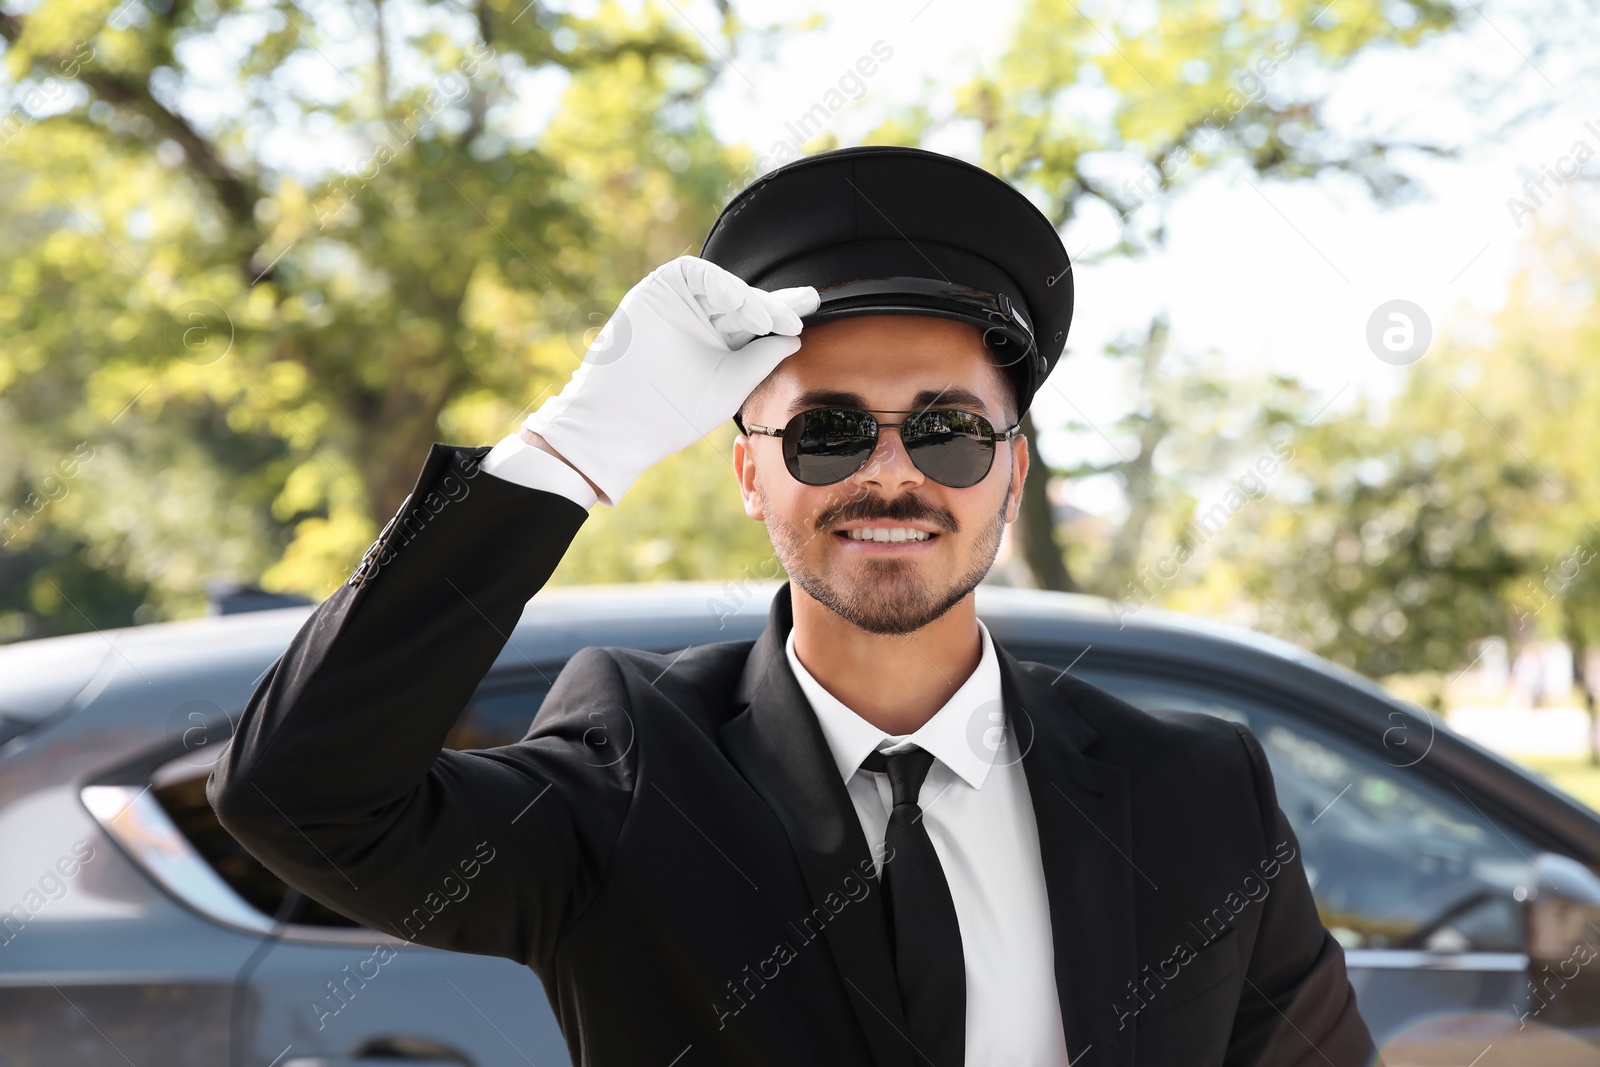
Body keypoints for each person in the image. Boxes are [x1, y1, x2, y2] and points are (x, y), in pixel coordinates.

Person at [209, 146, 1380, 1066]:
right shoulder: (631, 769)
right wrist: (572, 446)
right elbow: (297, 794)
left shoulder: (1194, 794)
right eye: (824, 430)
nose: (891, 473)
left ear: (1013, 474)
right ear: (749, 473)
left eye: (949, 429)